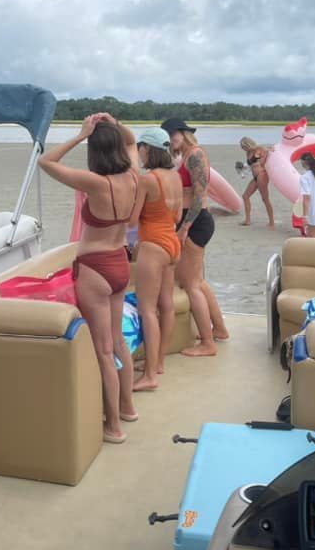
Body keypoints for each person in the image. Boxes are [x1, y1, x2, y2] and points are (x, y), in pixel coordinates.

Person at [40, 113, 139, 444]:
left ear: (95, 151)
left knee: (103, 349)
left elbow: (46, 161)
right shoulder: (134, 177)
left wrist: (80, 135)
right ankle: (127, 407)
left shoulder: (96, 183)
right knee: (119, 341)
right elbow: (132, 141)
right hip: (121, 262)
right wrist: (115, 123)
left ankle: (113, 426)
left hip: (95, 267)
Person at [161, 118, 229, 356]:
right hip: (191, 221)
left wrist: (184, 227)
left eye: (173, 134)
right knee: (197, 281)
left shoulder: (196, 155)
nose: (171, 139)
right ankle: (219, 329)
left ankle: (208, 343)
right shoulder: (185, 155)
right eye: (168, 136)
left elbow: (200, 197)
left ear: (184, 133)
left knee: (190, 285)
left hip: (196, 221)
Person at [129, 127, 182, 392]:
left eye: (140, 148)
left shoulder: (148, 179)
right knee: (166, 305)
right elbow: (177, 215)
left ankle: (150, 375)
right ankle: (158, 362)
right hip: (172, 243)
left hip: (154, 244)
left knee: (146, 309)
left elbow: (131, 218)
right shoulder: (174, 176)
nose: (138, 152)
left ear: (148, 149)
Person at [239, 137, 275, 228]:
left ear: (248, 144)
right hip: (255, 177)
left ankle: (271, 222)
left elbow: (270, 151)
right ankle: (247, 220)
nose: (243, 148)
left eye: (243, 146)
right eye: (242, 147)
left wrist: (272, 149)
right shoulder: (248, 153)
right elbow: (250, 166)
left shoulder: (260, 149)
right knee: (245, 196)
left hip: (262, 175)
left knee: (265, 199)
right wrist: (242, 169)